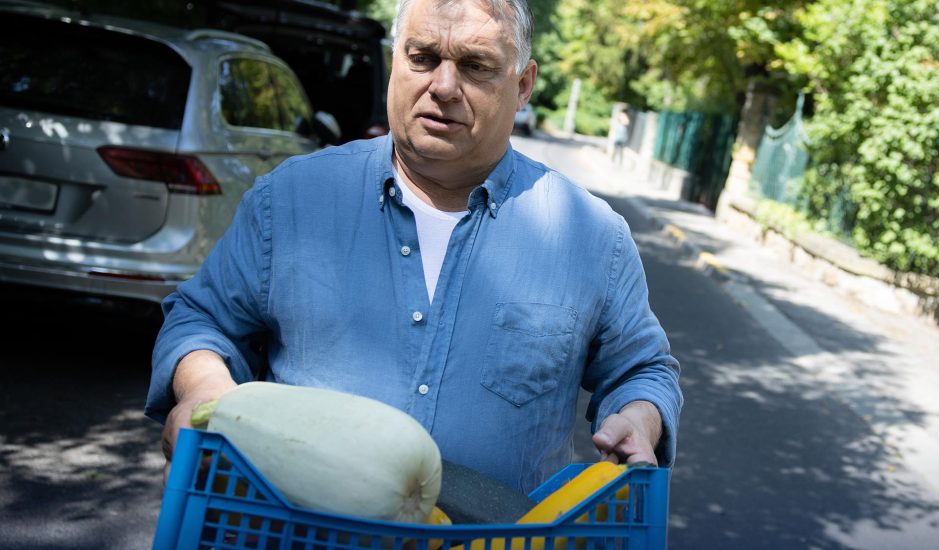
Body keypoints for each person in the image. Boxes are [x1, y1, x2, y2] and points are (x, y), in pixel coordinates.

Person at [146, 0, 682, 494]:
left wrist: (640, 418)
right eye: (423, 58)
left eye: (475, 66)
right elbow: (203, 319)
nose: (443, 86)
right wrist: (204, 386)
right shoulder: (290, 199)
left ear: (523, 86)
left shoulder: (592, 238)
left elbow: (642, 369)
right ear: (395, 62)